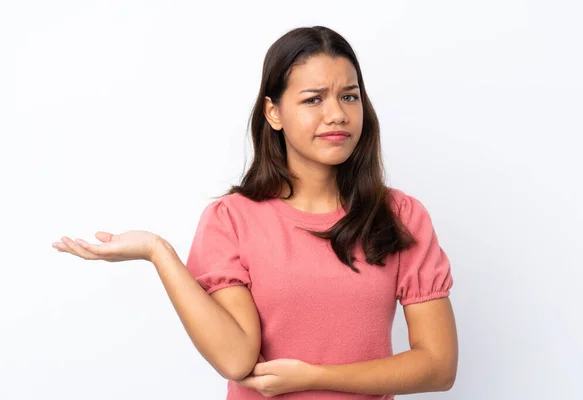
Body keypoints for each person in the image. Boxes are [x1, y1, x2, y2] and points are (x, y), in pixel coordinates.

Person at [52, 26, 458, 399]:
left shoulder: (399, 215)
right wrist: (158, 251)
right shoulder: (232, 220)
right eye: (313, 99)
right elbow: (236, 359)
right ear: (273, 112)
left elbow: (439, 367)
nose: (337, 114)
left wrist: (315, 377)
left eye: (348, 96)